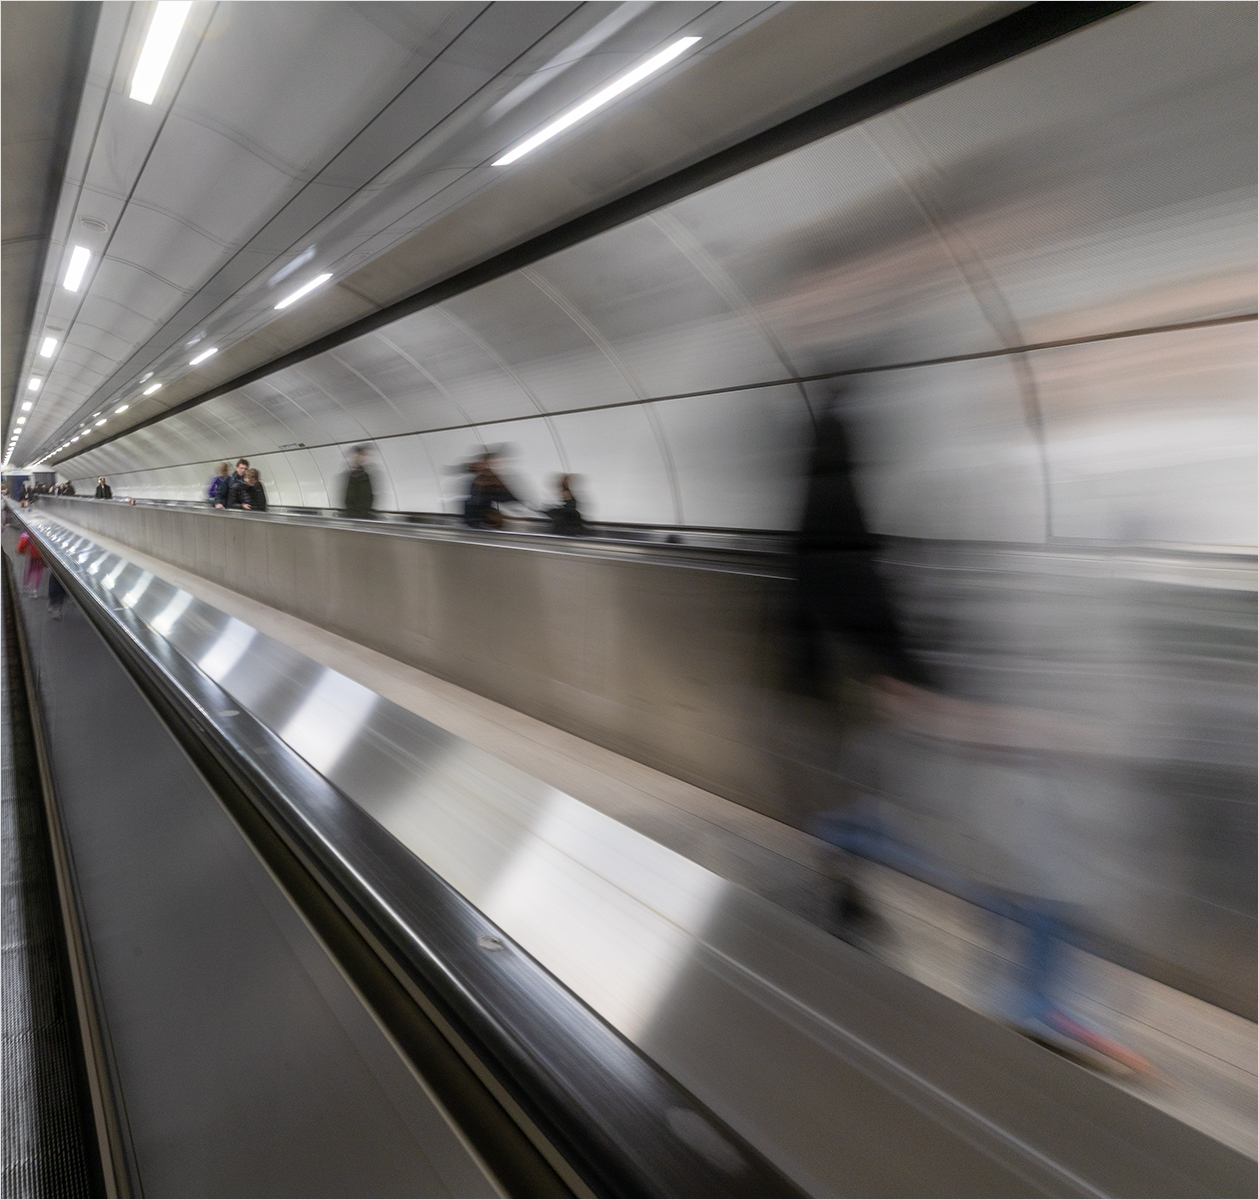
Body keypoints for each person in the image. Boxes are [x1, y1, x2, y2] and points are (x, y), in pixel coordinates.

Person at [342, 445, 374, 518]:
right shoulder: (349, 476)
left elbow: (368, 498)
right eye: (354, 457)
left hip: (363, 517)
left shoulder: (366, 476)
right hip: (353, 517)